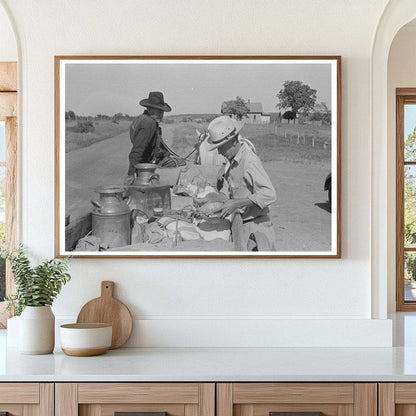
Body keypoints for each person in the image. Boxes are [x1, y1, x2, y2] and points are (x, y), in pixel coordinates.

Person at [207, 116, 277, 250]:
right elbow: (227, 192)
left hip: (256, 227)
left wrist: (237, 203)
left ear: (233, 141)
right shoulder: (232, 162)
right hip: (240, 224)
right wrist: (208, 201)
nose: (219, 152)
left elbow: (269, 194)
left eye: (221, 147)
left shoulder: (249, 161)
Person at [126, 91, 172, 183]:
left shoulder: (143, 119)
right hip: (149, 164)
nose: (161, 114)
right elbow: (137, 150)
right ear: (149, 109)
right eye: (158, 111)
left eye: (162, 111)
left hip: (149, 161)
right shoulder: (149, 123)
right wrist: (130, 174)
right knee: (184, 165)